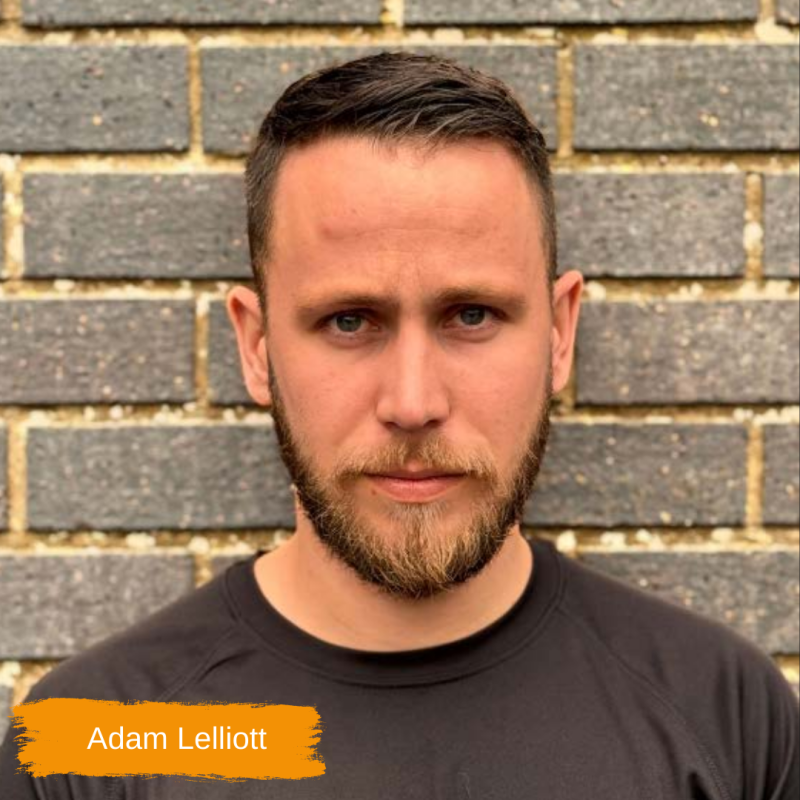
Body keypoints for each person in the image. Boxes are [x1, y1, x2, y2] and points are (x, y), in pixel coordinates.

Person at [1, 51, 797, 799]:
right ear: (256, 346)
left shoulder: (725, 713)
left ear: (560, 333)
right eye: (349, 321)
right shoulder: (99, 739)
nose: (413, 402)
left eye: (472, 315)